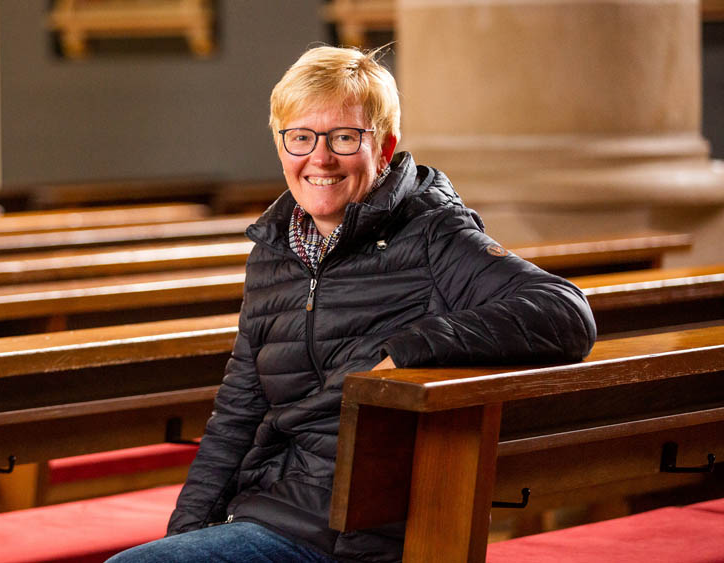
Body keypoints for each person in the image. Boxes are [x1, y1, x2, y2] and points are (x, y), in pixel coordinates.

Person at [107, 45, 596, 563]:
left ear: (383, 148)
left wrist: (409, 350)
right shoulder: (272, 254)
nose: (320, 158)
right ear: (281, 147)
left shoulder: (432, 233)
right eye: (300, 137)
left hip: (356, 534)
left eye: (344, 137)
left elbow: (565, 310)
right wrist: (182, 536)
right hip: (270, 512)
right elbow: (237, 413)